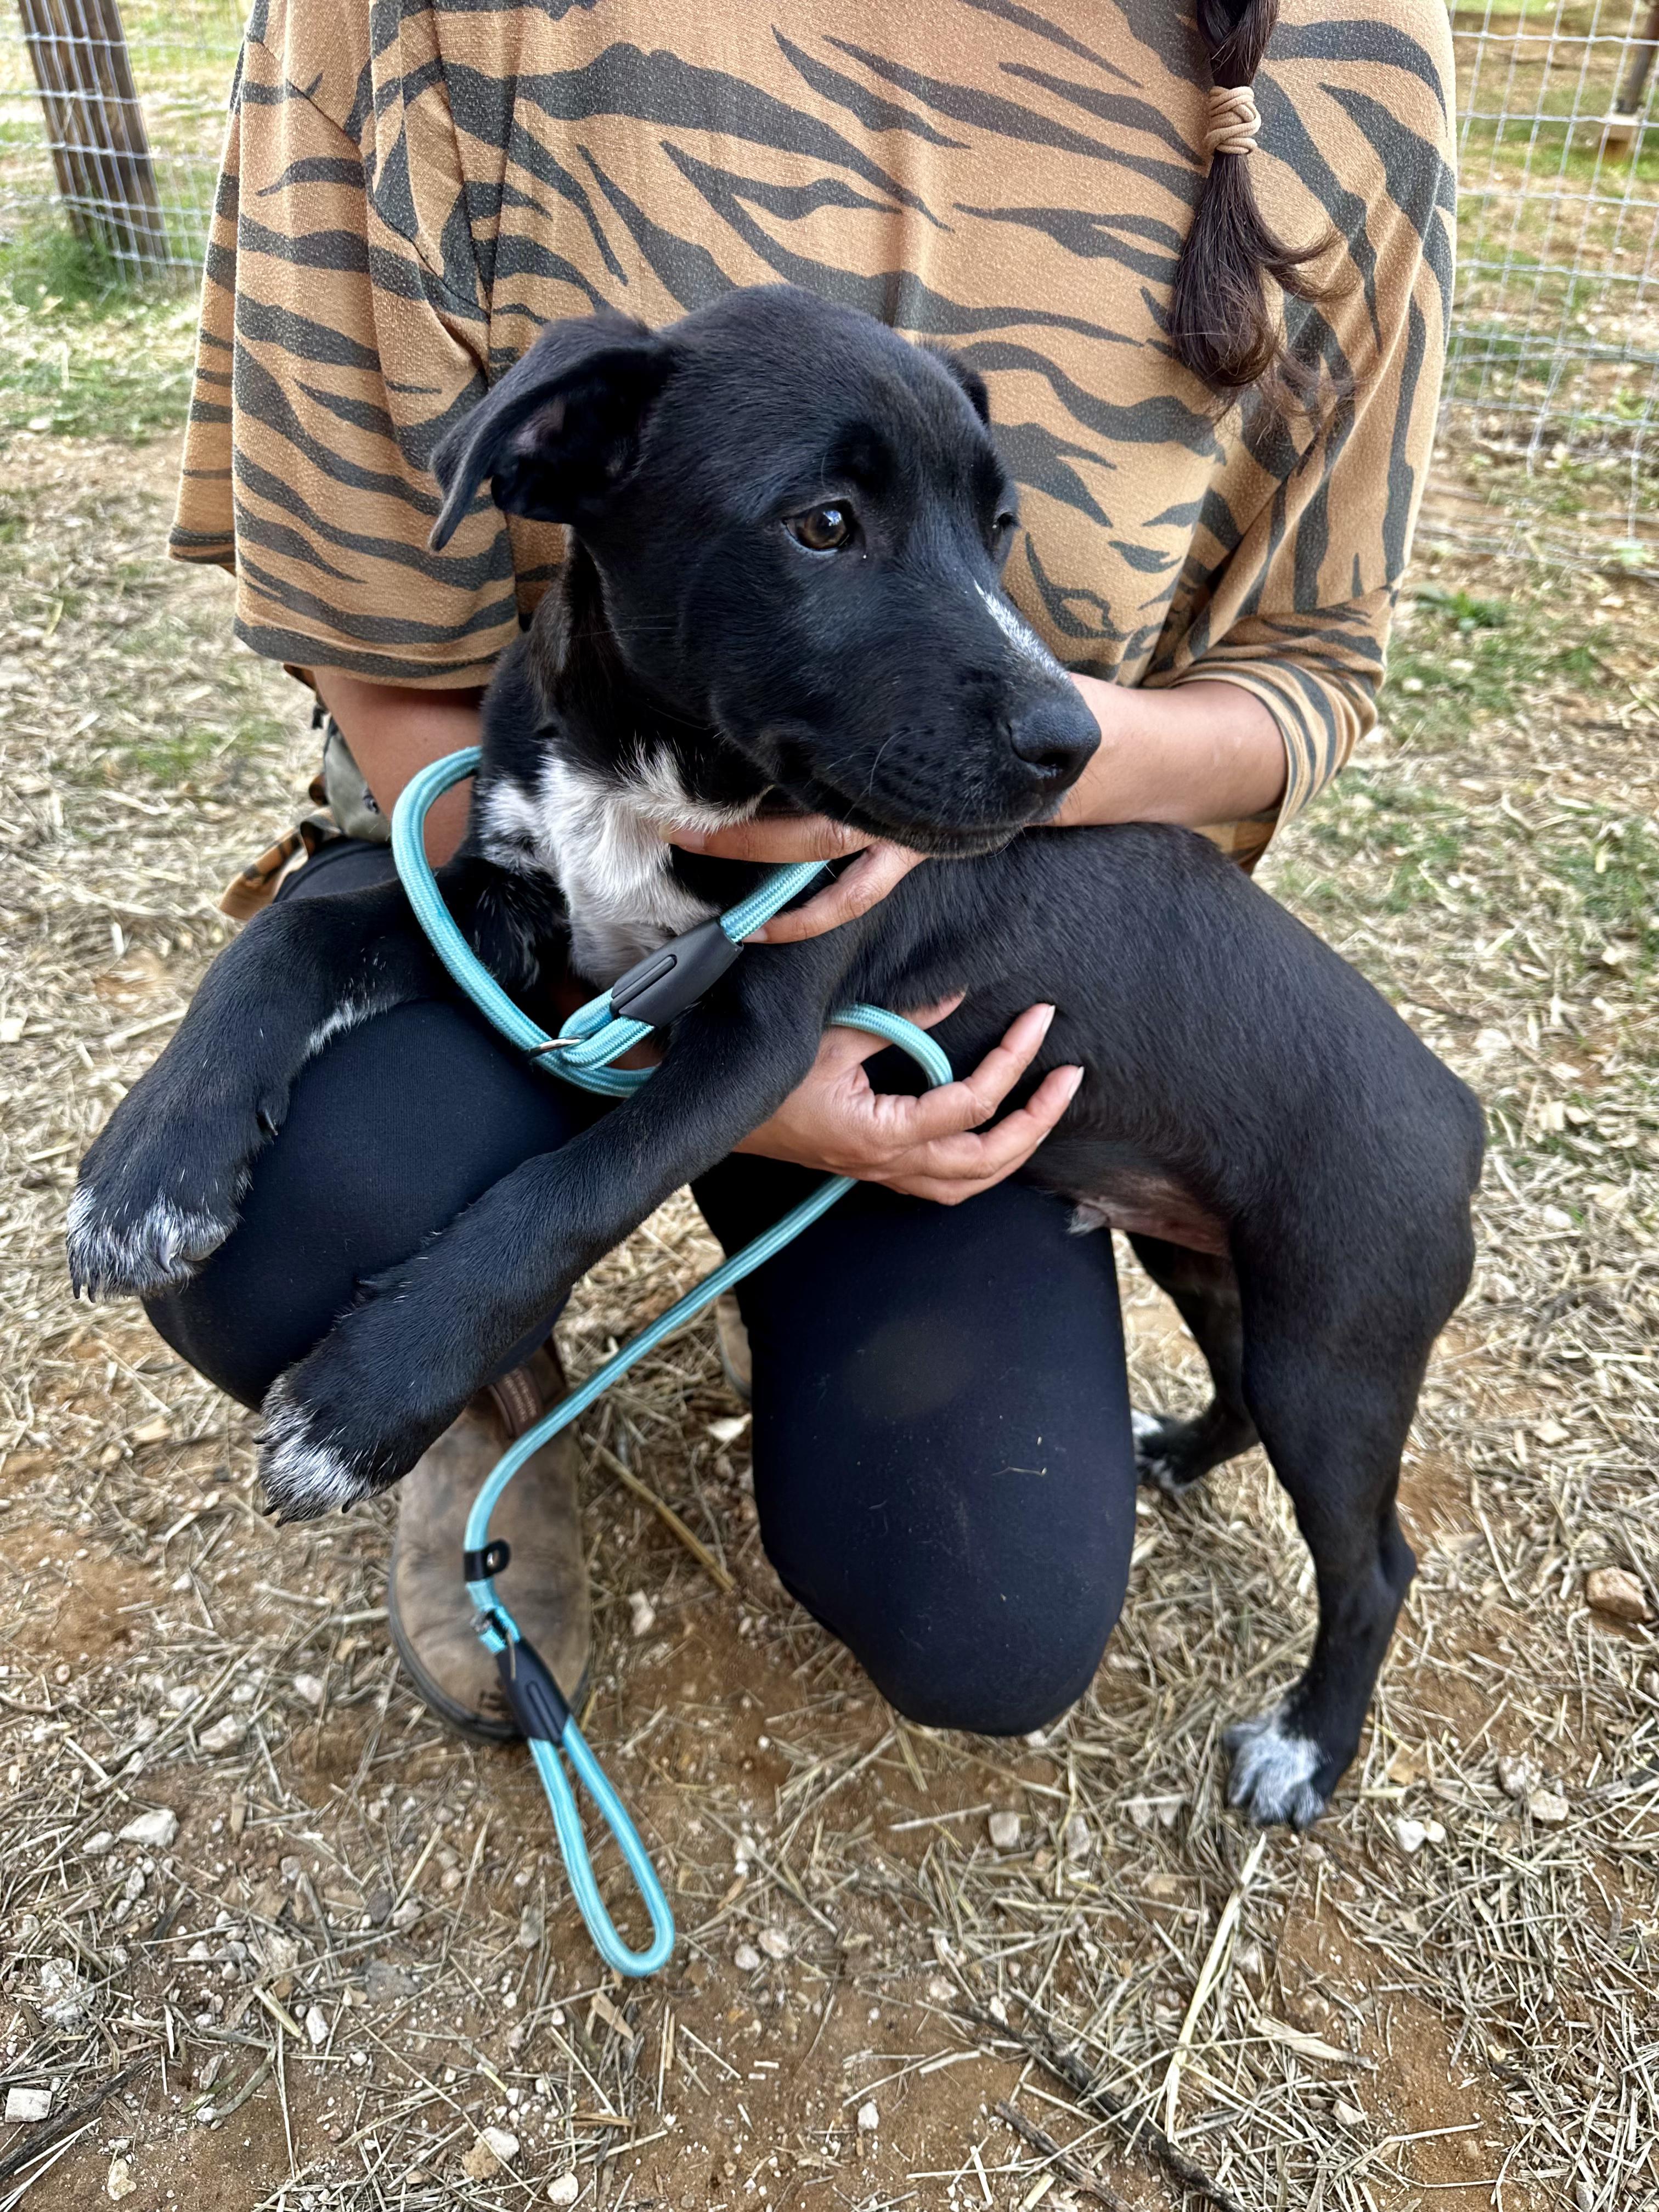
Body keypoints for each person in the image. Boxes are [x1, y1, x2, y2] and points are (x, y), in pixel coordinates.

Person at [144, 0, 1453, 1742]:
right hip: (546, 864)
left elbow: (1309, 669)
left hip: (939, 978)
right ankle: (485, 1387)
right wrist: (727, 1089)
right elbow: (375, 651)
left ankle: (1310, 1622)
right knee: (272, 1252)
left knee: (995, 1605)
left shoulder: (1344, 59)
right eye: (831, 526)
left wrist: (1010, 768)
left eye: (977, 531)